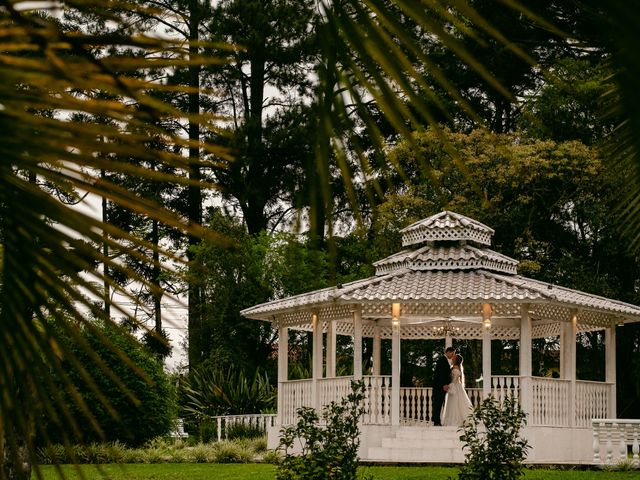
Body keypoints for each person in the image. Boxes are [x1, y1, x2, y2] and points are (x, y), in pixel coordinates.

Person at [442, 354, 473, 427]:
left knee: (454, 403)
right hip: (458, 386)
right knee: (458, 403)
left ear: (456, 360)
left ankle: (455, 421)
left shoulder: (455, 368)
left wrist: (449, 385)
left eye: (454, 357)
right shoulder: (457, 367)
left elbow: (454, 379)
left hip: (455, 387)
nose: (452, 358)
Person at [431, 346, 456, 426]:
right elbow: (440, 374)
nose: (453, 355)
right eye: (452, 353)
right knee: (438, 403)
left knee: (439, 403)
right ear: (448, 352)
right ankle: (436, 421)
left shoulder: (444, 360)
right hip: (440, 386)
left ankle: (436, 420)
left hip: (440, 386)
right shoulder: (442, 360)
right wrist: (444, 384)